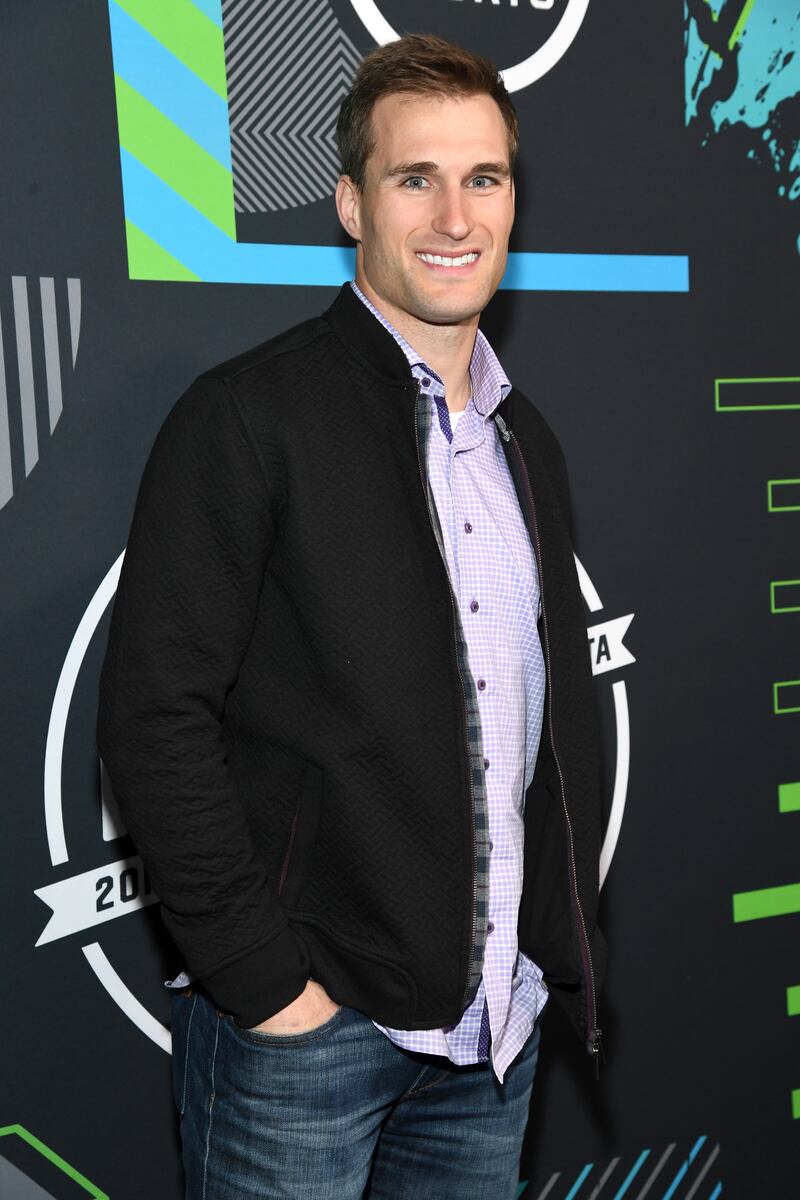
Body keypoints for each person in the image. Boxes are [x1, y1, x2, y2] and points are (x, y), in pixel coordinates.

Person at [97, 33, 606, 1200]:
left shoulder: (525, 442)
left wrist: (545, 956)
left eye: (482, 178)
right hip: (308, 1044)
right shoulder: (246, 418)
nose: (453, 216)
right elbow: (151, 718)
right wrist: (267, 987)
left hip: (493, 1039)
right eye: (412, 178)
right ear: (349, 204)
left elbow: (536, 736)